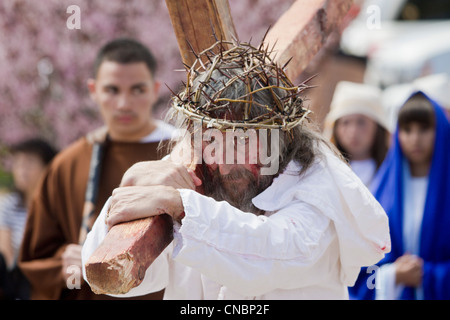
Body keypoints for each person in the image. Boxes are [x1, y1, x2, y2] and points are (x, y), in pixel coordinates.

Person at [82, 40, 390, 300]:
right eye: (216, 143)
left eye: (246, 143)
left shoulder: (317, 187)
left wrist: (180, 206)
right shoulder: (193, 168)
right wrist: (131, 192)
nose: (229, 163)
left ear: (281, 139)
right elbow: (109, 275)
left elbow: (268, 253)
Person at [18, 38, 175, 300]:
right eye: (112, 90)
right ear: (93, 90)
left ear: (155, 89)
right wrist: (65, 263)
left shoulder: (184, 153)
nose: (124, 103)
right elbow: (37, 257)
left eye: (137, 89)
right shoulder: (70, 163)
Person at [351, 91, 450, 300]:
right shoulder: (380, 194)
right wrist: (392, 275)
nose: (415, 138)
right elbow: (358, 266)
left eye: (424, 129)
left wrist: (428, 275)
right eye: (407, 130)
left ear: (440, 131)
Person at [0, 138, 56, 299]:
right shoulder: (9, 204)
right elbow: (6, 254)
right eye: (18, 164)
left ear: (47, 168)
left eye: (29, 164)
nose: (21, 170)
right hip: (17, 279)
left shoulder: (57, 206)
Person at [325, 81, 390, 187]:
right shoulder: (324, 171)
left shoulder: (392, 171)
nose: (353, 131)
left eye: (361, 122)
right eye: (345, 122)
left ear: (378, 128)